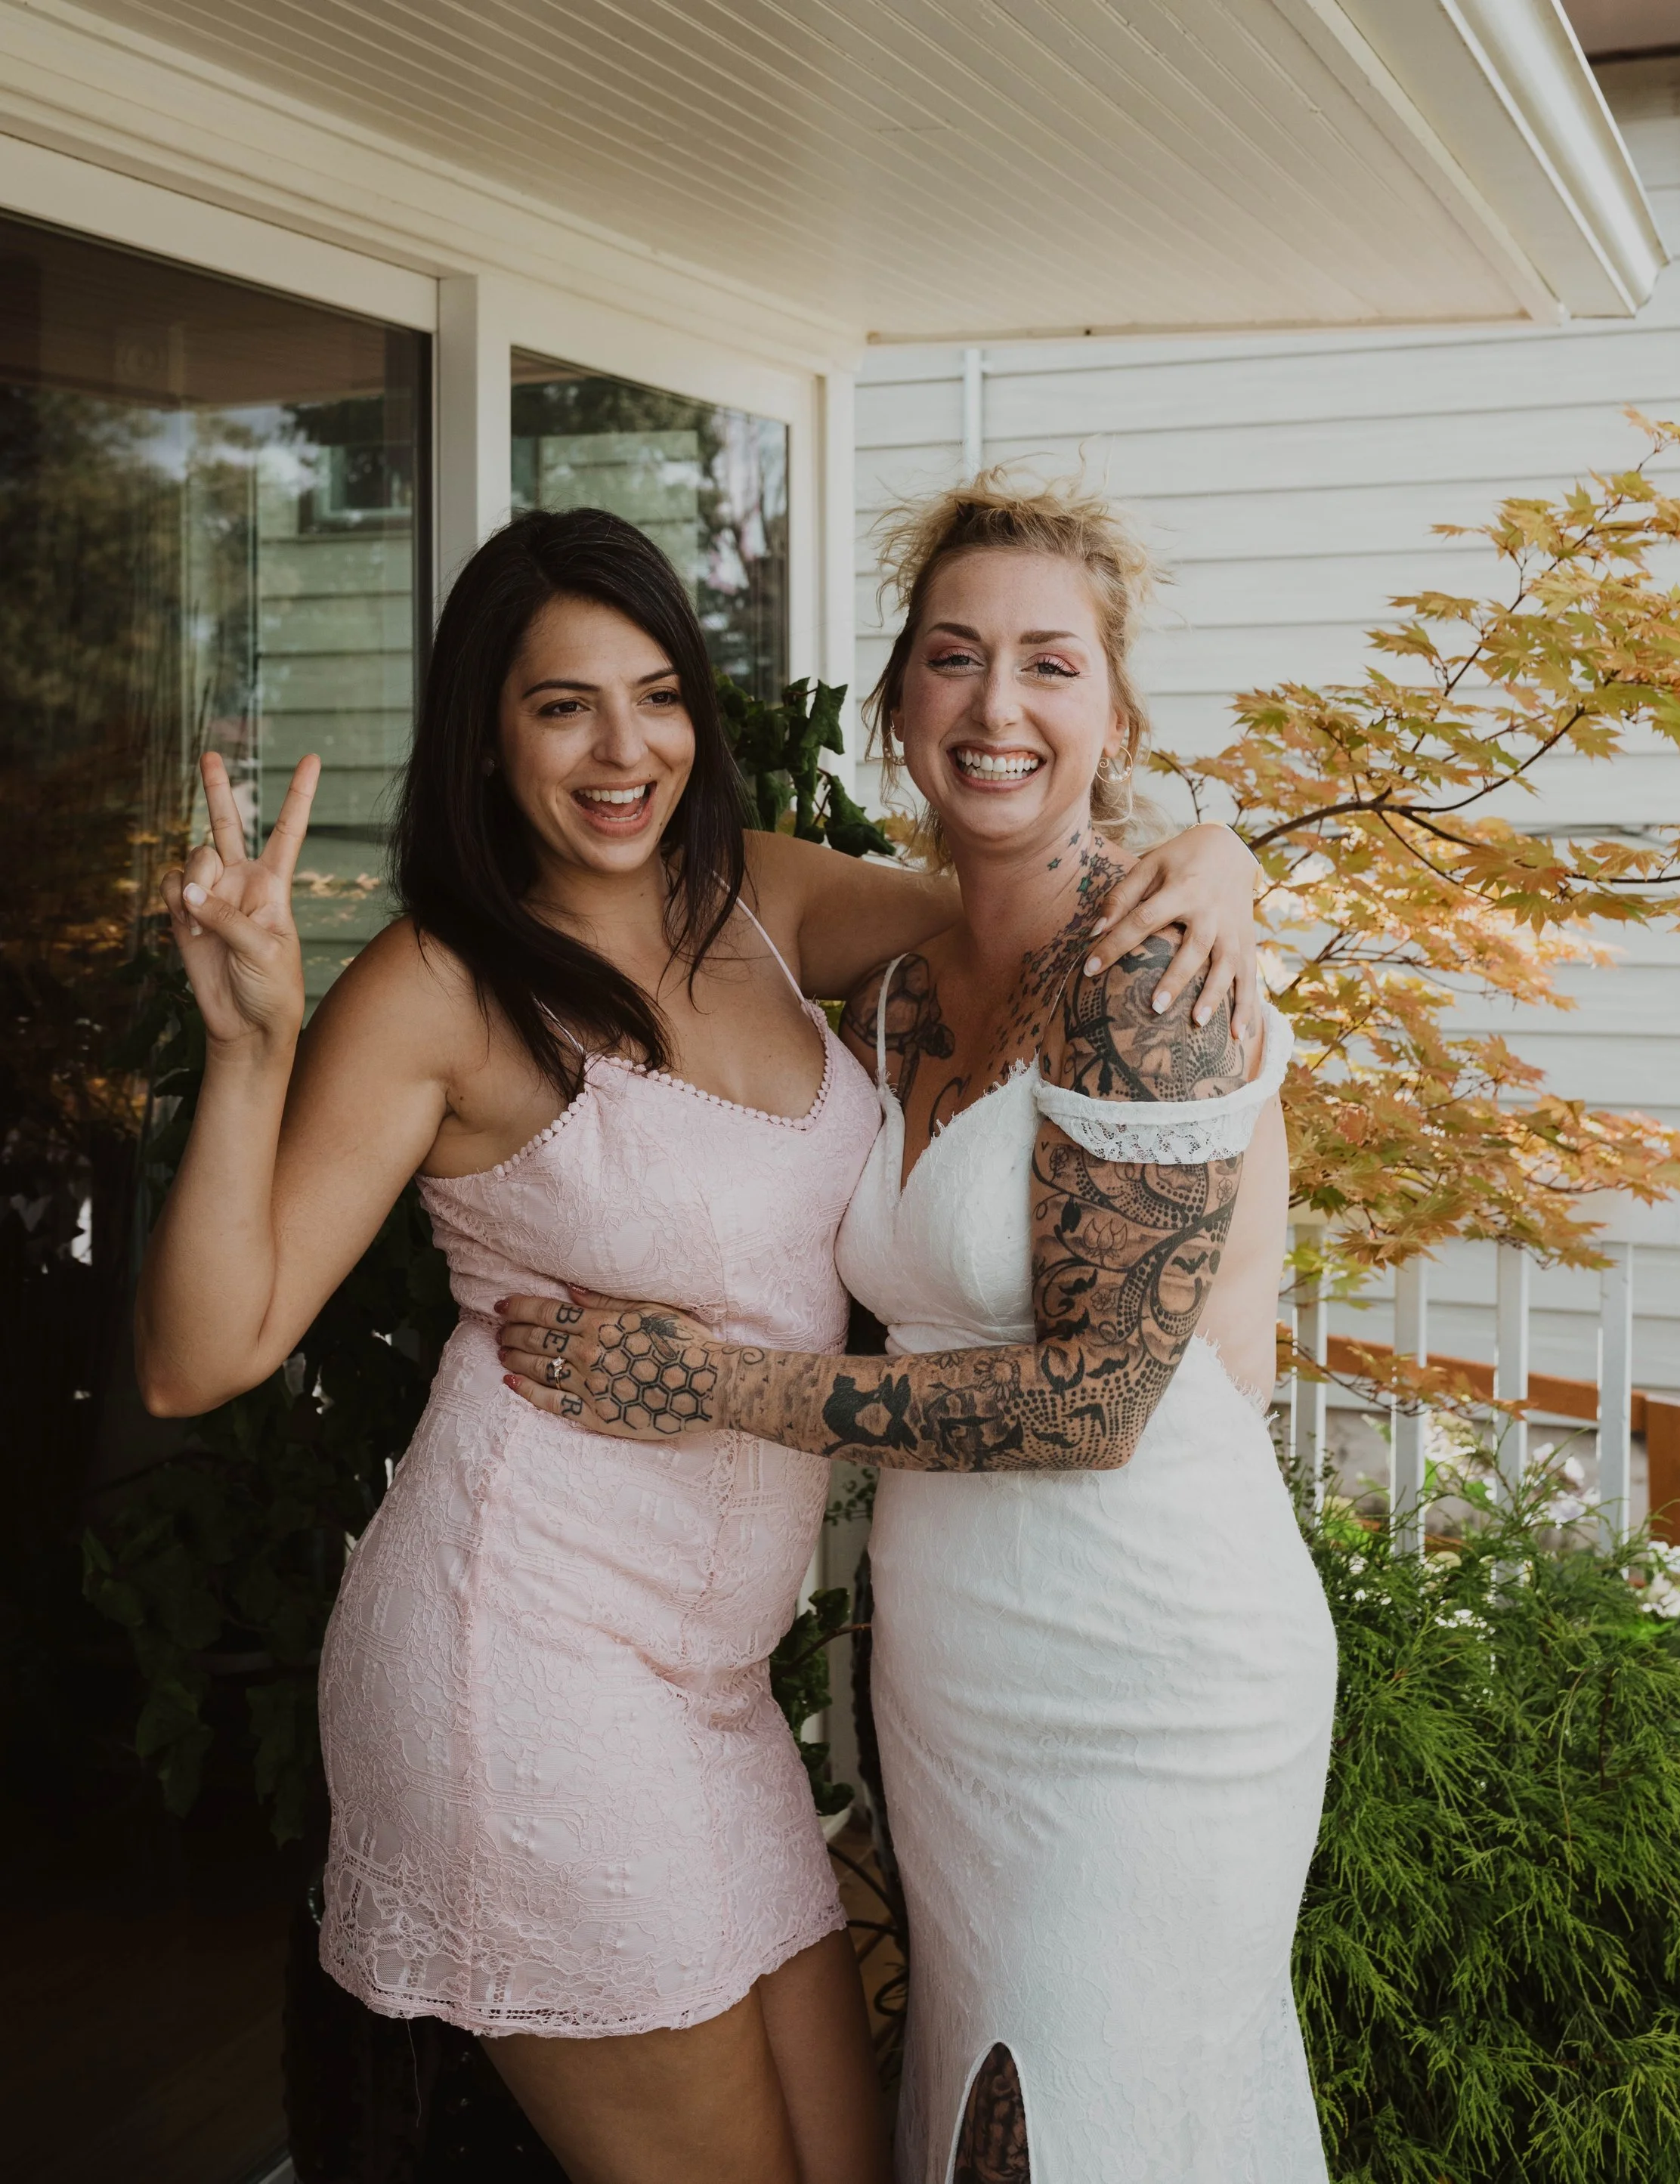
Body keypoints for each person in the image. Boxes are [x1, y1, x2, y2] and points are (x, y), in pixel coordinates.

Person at [134, 504, 1267, 2184]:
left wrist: (1223, 857)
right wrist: (250, 1046)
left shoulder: (757, 901)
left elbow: (1024, 904)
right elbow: (197, 1354)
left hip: (714, 1689)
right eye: (561, 704)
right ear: (485, 734)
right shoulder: (437, 990)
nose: (621, 749)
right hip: (520, 1656)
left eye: (656, 694)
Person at [500, 477, 1338, 2183]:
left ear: (1114, 710)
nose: (996, 703)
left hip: (1153, 1667)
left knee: (1077, 2124)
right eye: (951, 658)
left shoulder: (1151, 985)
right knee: (973, 2112)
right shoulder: (884, 990)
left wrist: (715, 1386)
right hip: (952, 1667)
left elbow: (1099, 1396)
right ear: (899, 703)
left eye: (1049, 661)